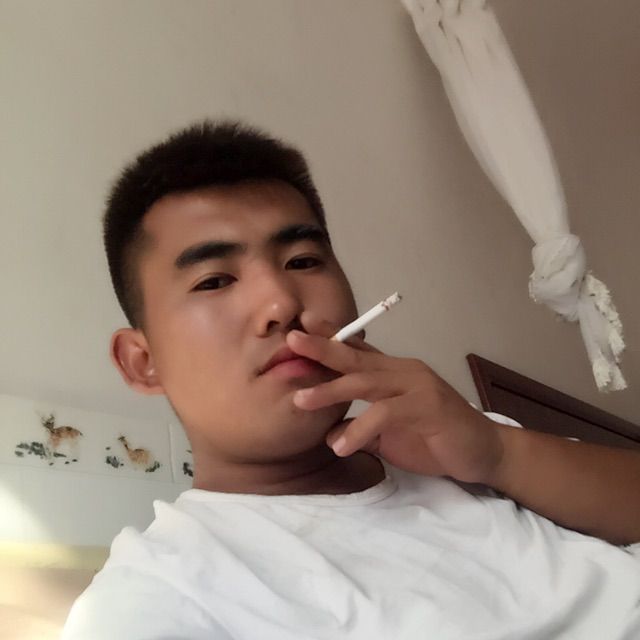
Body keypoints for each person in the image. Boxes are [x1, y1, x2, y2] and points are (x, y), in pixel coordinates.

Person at [62, 120, 640, 639]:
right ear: (142, 362)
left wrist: (497, 451)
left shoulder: (456, 441)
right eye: (214, 281)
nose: (281, 303)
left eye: (303, 262)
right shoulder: (159, 595)